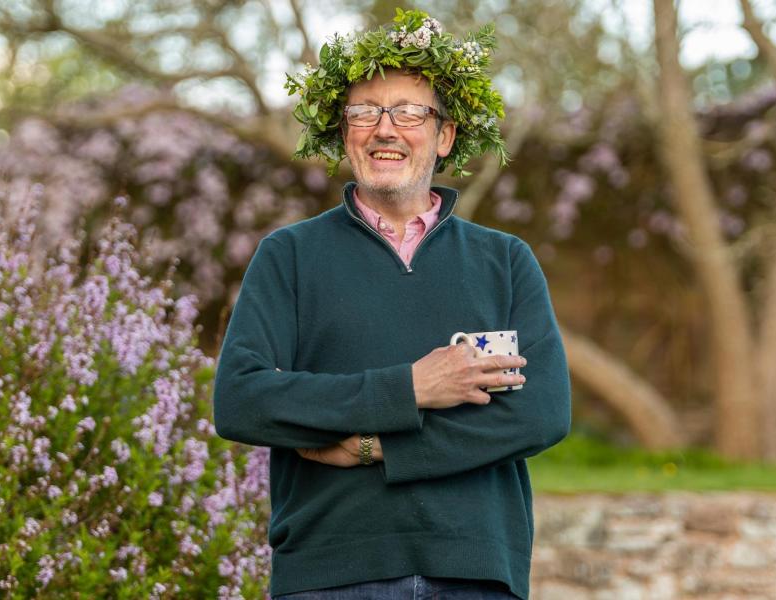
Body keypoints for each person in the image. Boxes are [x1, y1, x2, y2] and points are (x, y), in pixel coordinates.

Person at [213, 9, 571, 599]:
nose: (385, 129)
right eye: (364, 113)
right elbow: (242, 400)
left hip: (476, 571)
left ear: (445, 135)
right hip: (330, 573)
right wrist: (409, 388)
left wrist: (376, 447)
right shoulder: (289, 256)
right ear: (343, 132)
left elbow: (540, 414)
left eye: (409, 112)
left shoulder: (505, 261)